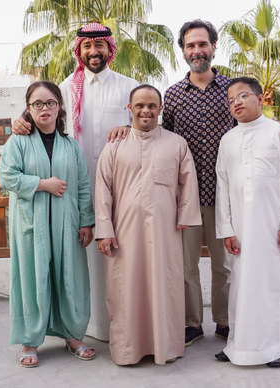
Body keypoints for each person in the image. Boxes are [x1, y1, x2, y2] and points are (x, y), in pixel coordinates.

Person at [12, 22, 139, 341]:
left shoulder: (129, 87)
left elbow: (144, 123)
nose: (93, 52)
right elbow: (40, 113)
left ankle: (123, 325)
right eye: (87, 47)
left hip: (120, 187)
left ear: (110, 49)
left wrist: (129, 128)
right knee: (82, 258)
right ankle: (87, 326)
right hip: (73, 190)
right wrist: (18, 121)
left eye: (99, 46)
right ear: (79, 51)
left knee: (120, 254)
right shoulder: (66, 87)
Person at [95, 85, 200, 365]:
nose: (146, 110)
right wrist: (104, 230)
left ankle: (165, 346)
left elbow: (188, 184)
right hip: (124, 233)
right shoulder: (114, 146)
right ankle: (129, 349)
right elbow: (102, 190)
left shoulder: (177, 144)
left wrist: (184, 219)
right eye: (140, 105)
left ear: (161, 108)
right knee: (125, 289)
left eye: (152, 105)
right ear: (129, 109)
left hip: (165, 232)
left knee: (165, 285)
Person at [0, 81, 96, 368]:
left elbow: (82, 186)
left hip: (67, 223)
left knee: (70, 277)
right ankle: (29, 340)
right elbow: (7, 177)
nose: (45, 108)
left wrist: (86, 221)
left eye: (50, 102)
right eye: (37, 104)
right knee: (32, 278)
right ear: (28, 109)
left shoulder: (70, 145)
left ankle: (73, 336)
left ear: (60, 106)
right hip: (32, 224)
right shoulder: (18, 142)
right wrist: (43, 184)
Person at [214, 77, 280, 367]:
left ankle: (274, 346)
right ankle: (238, 345)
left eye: (242, 96)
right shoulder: (227, 139)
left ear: (259, 99)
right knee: (241, 285)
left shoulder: (277, 133)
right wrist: (227, 228)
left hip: (273, 228)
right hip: (241, 230)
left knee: (272, 285)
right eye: (230, 100)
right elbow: (222, 188)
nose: (236, 103)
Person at [162, 20, 233, 346]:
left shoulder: (232, 91)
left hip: (225, 195)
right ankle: (191, 323)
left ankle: (225, 321)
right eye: (190, 46)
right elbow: (165, 142)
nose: (197, 51)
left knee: (225, 264)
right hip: (186, 195)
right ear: (183, 51)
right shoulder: (173, 95)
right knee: (186, 265)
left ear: (213, 48)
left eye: (202, 44)